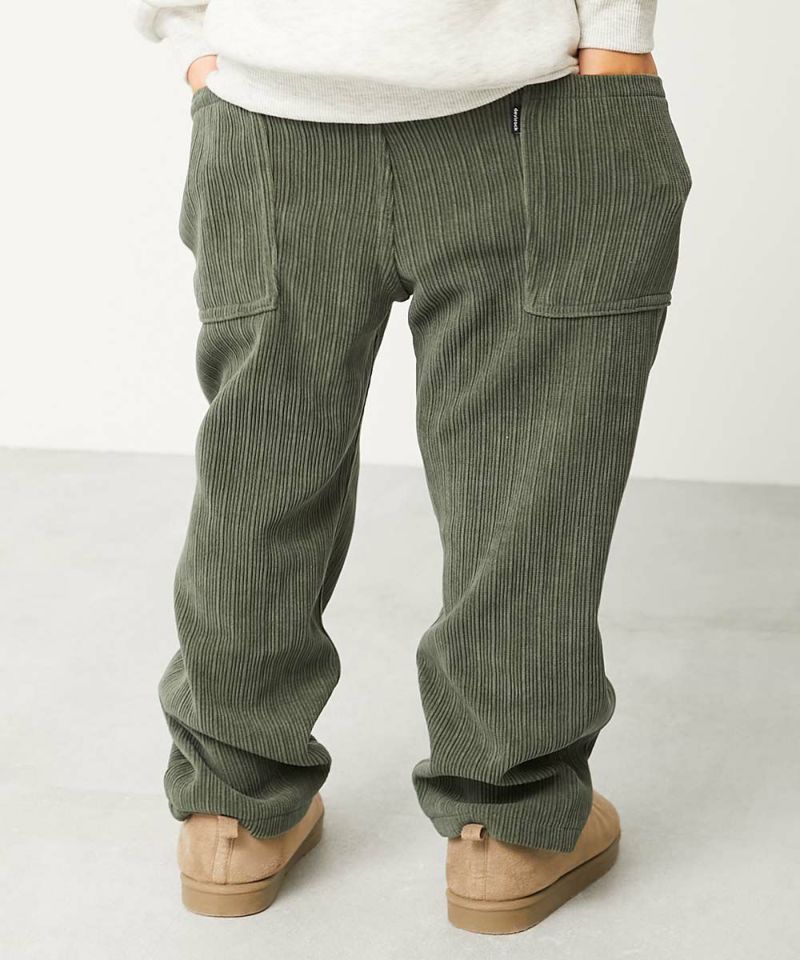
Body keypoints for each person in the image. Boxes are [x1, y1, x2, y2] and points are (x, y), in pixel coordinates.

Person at [135, 0, 690, 934]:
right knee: (524, 481)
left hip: (275, 112)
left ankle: (230, 813)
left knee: (260, 471)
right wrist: (616, 36)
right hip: (531, 101)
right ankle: (509, 827)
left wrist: (194, 36)